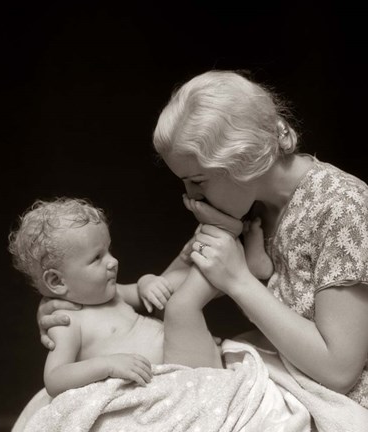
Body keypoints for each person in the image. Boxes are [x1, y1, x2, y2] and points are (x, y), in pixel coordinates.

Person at [38, 69, 368, 409]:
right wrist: (77, 310)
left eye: (197, 180)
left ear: (241, 161)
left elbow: (339, 371)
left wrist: (239, 280)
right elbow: (167, 292)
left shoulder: (342, 207)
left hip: (337, 395)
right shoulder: (251, 205)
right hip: (280, 367)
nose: (190, 197)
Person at [10, 196, 270, 396]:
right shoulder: (67, 321)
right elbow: (55, 378)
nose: (113, 262)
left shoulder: (109, 294)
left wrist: (146, 283)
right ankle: (232, 251)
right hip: (181, 375)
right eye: (96, 258)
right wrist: (108, 365)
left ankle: (246, 266)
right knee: (180, 305)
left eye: (108, 251)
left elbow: (138, 290)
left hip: (187, 352)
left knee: (164, 288)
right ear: (57, 281)